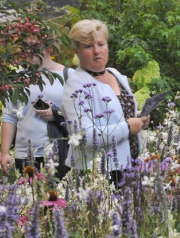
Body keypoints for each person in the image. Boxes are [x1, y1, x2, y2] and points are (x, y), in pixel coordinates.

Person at [61, 19, 149, 182]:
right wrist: (128, 127)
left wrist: (139, 117)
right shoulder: (75, 86)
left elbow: (116, 113)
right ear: (76, 52)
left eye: (101, 44)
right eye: (88, 46)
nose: (97, 51)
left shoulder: (114, 74)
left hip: (130, 165)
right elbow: (84, 136)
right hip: (100, 175)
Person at [0, 42, 73, 179]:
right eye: (24, 47)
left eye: (33, 46)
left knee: (59, 197)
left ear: (49, 47)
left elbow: (81, 114)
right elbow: (10, 116)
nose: (27, 51)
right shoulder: (16, 77)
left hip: (58, 152)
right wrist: (5, 153)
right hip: (24, 154)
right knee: (28, 199)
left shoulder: (67, 75)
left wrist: (56, 114)